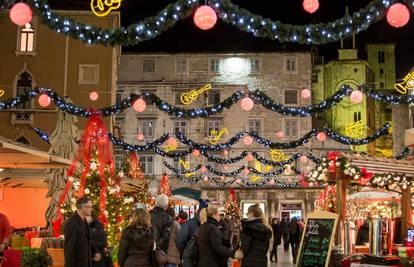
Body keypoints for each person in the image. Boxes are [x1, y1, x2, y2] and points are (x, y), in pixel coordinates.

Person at [64, 196, 93, 267]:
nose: (91, 209)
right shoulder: (71, 223)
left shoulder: (84, 220)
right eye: (89, 207)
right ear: (82, 207)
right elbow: (69, 250)